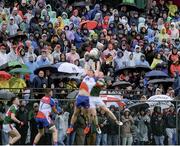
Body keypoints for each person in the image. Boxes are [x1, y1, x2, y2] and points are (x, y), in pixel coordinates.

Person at [66, 69, 98, 135]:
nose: (88, 72)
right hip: (80, 97)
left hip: (87, 98)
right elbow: (85, 68)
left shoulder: (94, 80)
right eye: (88, 71)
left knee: (87, 114)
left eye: (90, 72)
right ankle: (70, 127)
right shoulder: (85, 77)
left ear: (93, 74)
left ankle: (88, 125)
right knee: (75, 113)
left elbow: (97, 72)